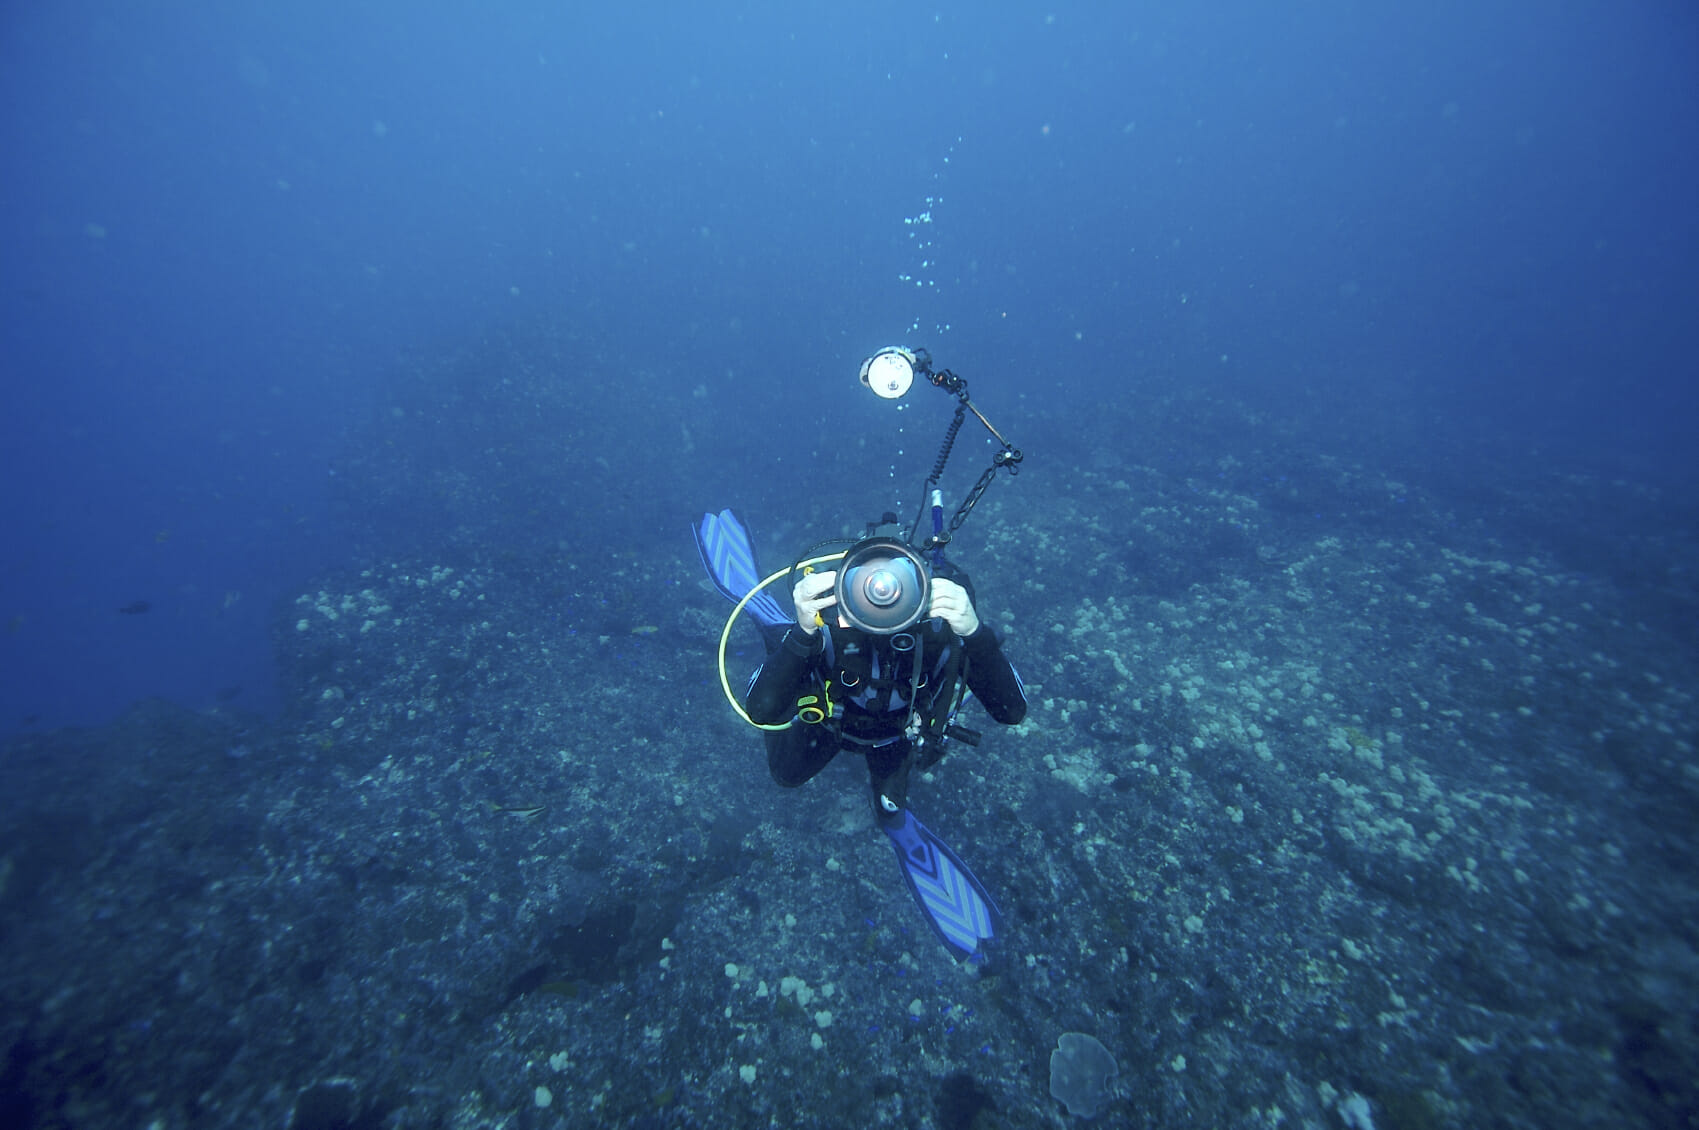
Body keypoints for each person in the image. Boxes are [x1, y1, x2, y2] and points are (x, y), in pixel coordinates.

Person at [746, 559, 1027, 826]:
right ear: (848, 586)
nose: (883, 594)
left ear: (921, 587)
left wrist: (974, 633)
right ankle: (780, 632)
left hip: (895, 735)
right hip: (829, 724)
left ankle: (885, 793)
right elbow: (761, 710)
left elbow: (1011, 711)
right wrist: (803, 632)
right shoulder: (831, 621)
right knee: (786, 774)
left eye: (897, 585)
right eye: (869, 585)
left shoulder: (938, 629)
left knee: (890, 808)